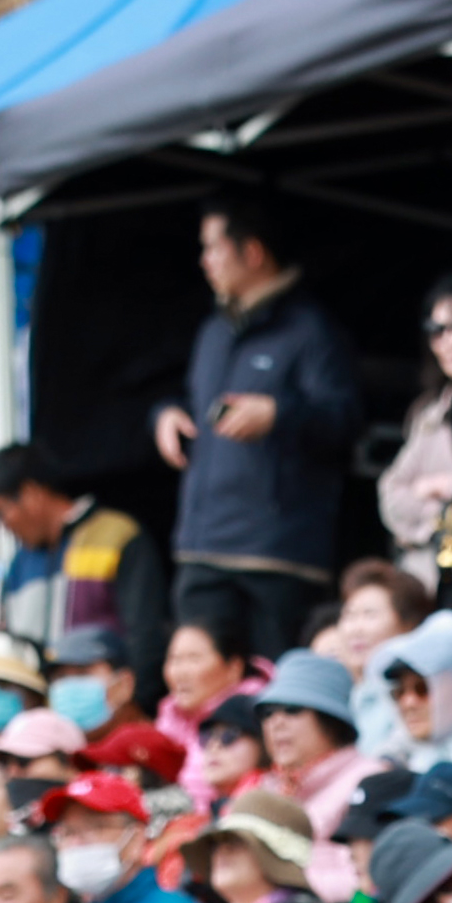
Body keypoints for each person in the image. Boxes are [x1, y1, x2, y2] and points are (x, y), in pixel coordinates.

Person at [157, 200, 359, 660]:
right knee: (203, 691)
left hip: (279, 554)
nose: (205, 261)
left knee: (275, 687)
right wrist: (167, 415)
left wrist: (278, 414)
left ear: (252, 252)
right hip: (201, 545)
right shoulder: (212, 331)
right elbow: (195, 404)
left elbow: (344, 420)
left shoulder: (311, 331)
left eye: (213, 248)